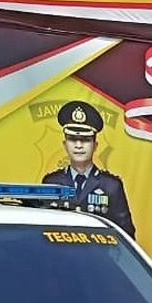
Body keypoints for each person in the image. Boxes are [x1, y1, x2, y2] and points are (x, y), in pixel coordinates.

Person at [42, 101, 136, 238]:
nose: (79, 146)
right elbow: (41, 231)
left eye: (85, 140)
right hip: (59, 257)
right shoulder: (51, 183)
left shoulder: (111, 186)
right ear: (64, 144)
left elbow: (126, 236)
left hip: (99, 257)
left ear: (95, 145)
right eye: (73, 139)